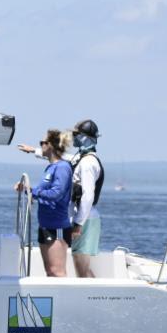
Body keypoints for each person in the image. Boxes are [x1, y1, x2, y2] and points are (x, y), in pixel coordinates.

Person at [15, 129, 73, 277]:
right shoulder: (50, 168)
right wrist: (26, 190)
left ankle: (64, 300)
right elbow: (42, 193)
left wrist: (32, 191)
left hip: (57, 226)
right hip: (45, 226)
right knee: (49, 272)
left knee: (57, 272)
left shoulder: (62, 168)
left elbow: (56, 194)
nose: (40, 145)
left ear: (51, 145)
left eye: (43, 142)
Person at [69, 119, 104, 278]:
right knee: (80, 265)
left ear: (85, 137)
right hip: (85, 218)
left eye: (76, 134)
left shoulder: (88, 163)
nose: (73, 137)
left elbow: (88, 196)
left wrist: (78, 224)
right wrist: (35, 151)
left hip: (85, 219)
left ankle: (96, 301)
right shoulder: (82, 158)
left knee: (81, 268)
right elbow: (63, 157)